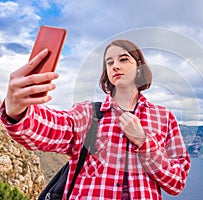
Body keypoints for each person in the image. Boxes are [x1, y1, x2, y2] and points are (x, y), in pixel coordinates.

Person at [0, 39, 190, 199]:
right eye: (109, 62)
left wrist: (143, 142)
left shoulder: (164, 118)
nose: (115, 65)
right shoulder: (87, 114)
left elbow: (176, 182)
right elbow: (49, 128)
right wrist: (17, 111)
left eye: (123, 59)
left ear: (140, 68)